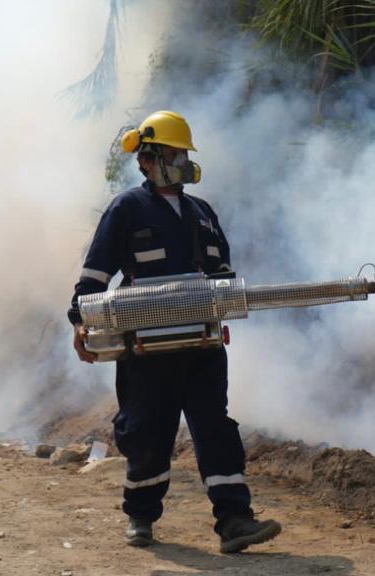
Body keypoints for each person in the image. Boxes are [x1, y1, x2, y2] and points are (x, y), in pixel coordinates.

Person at [67, 110, 282, 553]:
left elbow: (222, 275)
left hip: (202, 345)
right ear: (147, 160)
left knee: (216, 427)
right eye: (173, 153)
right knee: (148, 430)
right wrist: (80, 320)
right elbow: (95, 275)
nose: (183, 160)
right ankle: (141, 517)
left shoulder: (202, 213)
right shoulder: (127, 209)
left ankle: (235, 520)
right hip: (147, 348)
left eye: (184, 153)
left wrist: (227, 301)